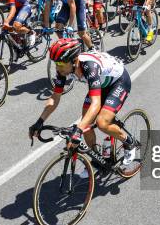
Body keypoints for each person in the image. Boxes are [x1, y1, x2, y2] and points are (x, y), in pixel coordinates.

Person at [29, 38, 138, 166]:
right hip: (101, 84)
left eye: (61, 65)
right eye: (56, 64)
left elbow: (95, 104)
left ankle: (129, 142)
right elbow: (55, 97)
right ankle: (97, 158)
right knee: (86, 122)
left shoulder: (89, 67)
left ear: (74, 61)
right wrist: (39, 121)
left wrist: (78, 130)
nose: (58, 69)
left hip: (119, 81)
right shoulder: (63, 69)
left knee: (102, 122)